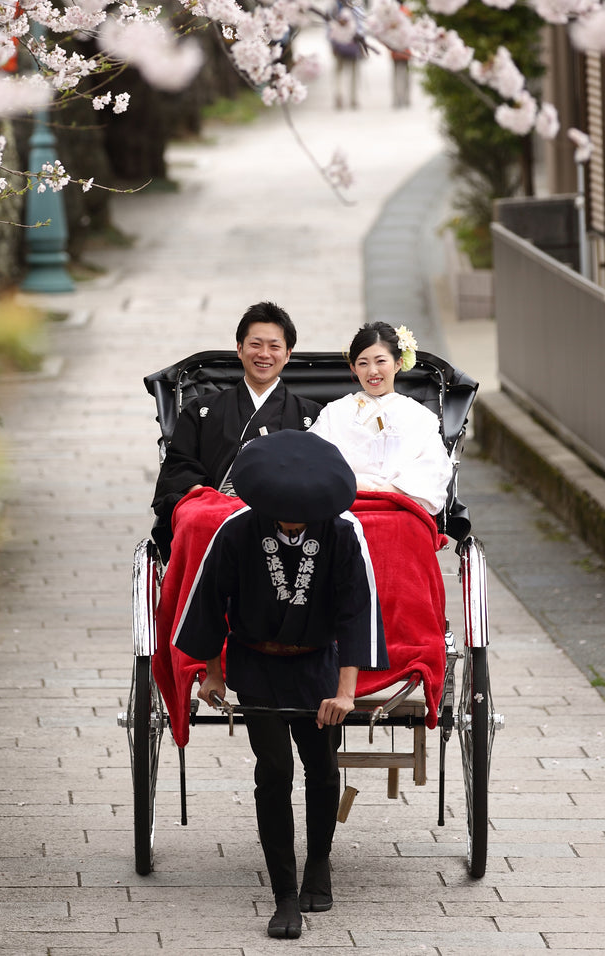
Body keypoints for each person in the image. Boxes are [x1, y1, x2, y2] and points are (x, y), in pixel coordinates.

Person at [173, 430, 388, 940]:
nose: (294, 517)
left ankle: (318, 864)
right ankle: (284, 894)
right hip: (258, 665)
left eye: (303, 510)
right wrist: (212, 671)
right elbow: (209, 603)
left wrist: (346, 692)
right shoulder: (238, 531)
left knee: (320, 765)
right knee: (274, 771)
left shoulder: (339, 533)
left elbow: (357, 612)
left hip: (316, 667)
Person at [150, 302, 322, 560]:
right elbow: (179, 466)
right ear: (239, 349)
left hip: (288, 514)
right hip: (214, 509)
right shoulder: (202, 410)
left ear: (287, 354)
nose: (264, 354)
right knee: (194, 518)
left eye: (274, 346)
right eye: (255, 344)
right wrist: (205, 498)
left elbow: (320, 474)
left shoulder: (312, 415)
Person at [309, 321, 452, 515]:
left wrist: (391, 491)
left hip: (400, 507)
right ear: (353, 368)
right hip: (342, 506)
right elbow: (314, 458)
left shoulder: (419, 416)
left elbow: (433, 466)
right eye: (363, 363)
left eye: (380, 361)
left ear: (398, 363)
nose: (372, 371)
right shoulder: (335, 412)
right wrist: (354, 484)